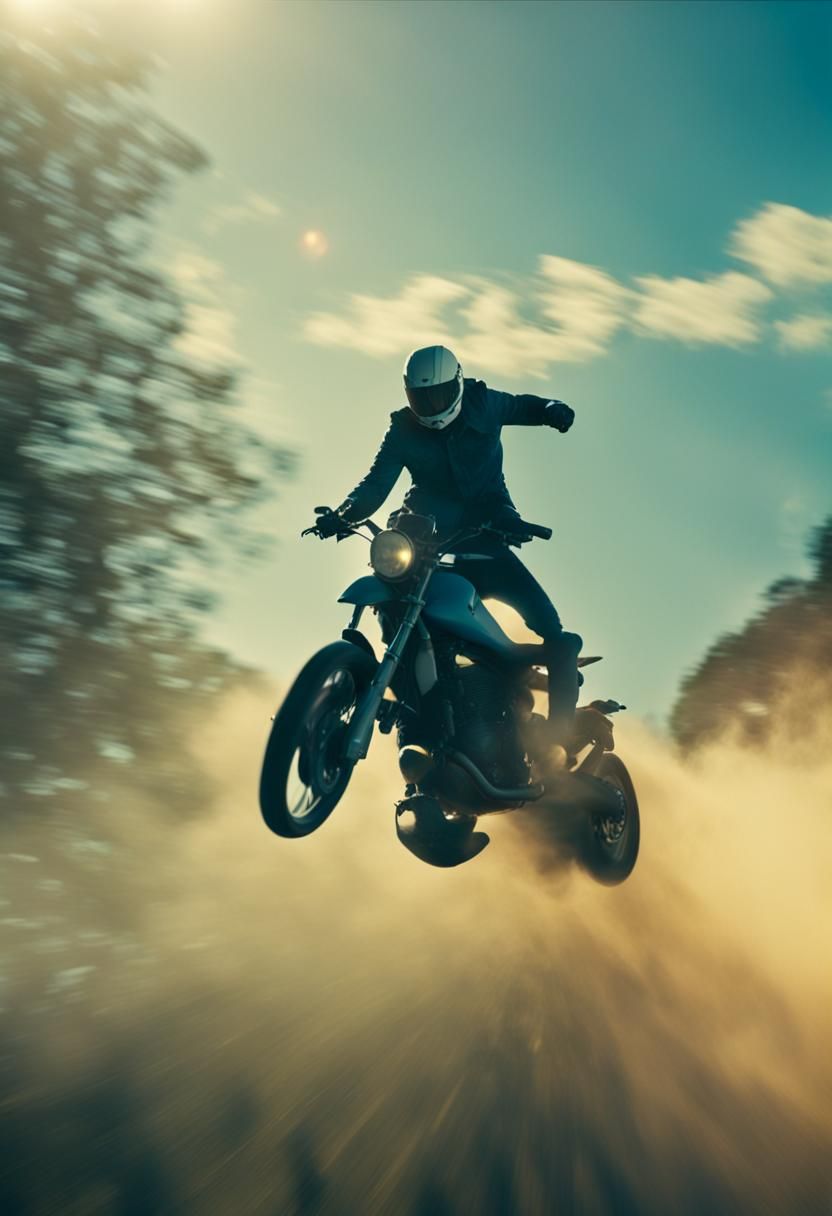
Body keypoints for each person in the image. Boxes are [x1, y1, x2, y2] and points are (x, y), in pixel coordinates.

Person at [315, 344, 583, 745]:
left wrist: (551, 409)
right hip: (421, 535)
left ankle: (561, 740)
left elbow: (523, 406)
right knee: (390, 592)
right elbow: (376, 482)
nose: (430, 404)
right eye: (421, 397)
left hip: (488, 531)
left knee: (555, 632)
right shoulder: (403, 428)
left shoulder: (483, 402)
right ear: (408, 394)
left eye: (439, 394)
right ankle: (406, 699)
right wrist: (345, 512)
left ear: (457, 384)